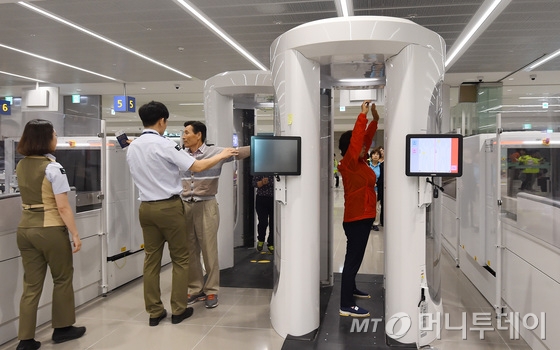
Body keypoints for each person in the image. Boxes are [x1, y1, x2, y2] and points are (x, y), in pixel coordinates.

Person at [126, 102, 238, 326]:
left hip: (146, 209)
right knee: (182, 258)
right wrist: (223, 154)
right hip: (170, 207)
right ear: (161, 121)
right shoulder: (165, 145)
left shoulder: (133, 146)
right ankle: (179, 309)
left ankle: (155, 312)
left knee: (151, 261)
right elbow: (195, 167)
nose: (183, 136)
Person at [15, 119, 86, 350]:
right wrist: (75, 234)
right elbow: (63, 207)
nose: (57, 139)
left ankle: (25, 340)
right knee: (62, 278)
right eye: (54, 135)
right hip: (50, 229)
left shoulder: (21, 165)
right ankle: (63, 328)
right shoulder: (53, 167)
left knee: (31, 285)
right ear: (45, 139)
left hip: (25, 229)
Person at [181, 121, 250, 309]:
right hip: (185, 206)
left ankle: (211, 290)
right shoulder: (180, 155)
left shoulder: (215, 153)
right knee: (190, 250)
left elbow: (241, 152)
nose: (184, 136)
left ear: (199, 135)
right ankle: (195, 288)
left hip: (207, 205)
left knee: (209, 249)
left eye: (187, 133)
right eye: (183, 133)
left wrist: (263, 145)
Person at [337, 100, 379, 318]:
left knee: (355, 257)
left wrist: (375, 119)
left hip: (364, 216)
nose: (365, 147)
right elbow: (356, 142)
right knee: (352, 260)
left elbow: (365, 139)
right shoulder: (350, 163)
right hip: (356, 219)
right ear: (350, 148)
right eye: (360, 145)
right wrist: (361, 116)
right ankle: (345, 304)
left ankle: (351, 289)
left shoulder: (361, 162)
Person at [252, 175, 274, 252]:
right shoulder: (260, 170)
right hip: (261, 198)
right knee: (263, 221)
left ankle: (271, 243)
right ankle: (261, 239)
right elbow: (254, 184)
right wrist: (262, 182)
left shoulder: (277, 169)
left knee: (273, 223)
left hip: (273, 199)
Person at [369, 148, 382, 231]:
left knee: (377, 208)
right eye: (373, 154)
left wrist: (377, 183)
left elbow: (382, 178)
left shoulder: (381, 166)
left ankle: (375, 223)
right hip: (368, 189)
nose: (375, 156)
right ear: (371, 156)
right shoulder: (367, 165)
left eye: (377, 154)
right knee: (368, 207)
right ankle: (368, 223)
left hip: (377, 189)